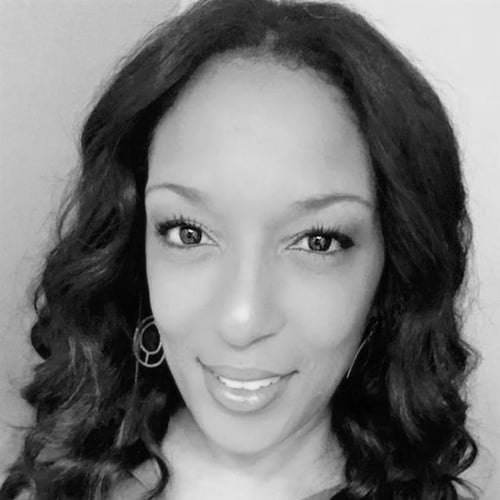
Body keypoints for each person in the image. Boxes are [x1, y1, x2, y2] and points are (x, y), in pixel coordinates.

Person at [0, 0, 480, 498]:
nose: (242, 320)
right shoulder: (53, 484)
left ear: (392, 268)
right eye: (188, 233)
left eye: (317, 242)